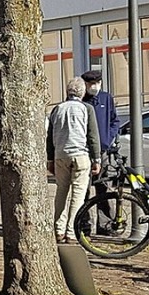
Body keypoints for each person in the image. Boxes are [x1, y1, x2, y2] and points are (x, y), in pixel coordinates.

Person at [47, 77, 101, 244]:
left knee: (61, 192)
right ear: (83, 92)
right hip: (80, 155)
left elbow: (49, 137)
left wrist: (50, 158)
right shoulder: (87, 108)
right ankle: (71, 231)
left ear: (67, 91)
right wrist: (97, 158)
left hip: (60, 155)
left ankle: (58, 229)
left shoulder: (57, 109)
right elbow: (92, 136)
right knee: (78, 195)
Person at [82, 69, 121, 226]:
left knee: (103, 188)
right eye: (92, 84)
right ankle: (84, 224)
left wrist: (109, 138)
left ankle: (104, 224)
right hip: (84, 151)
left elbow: (114, 121)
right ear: (86, 84)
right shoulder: (81, 100)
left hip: (103, 151)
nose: (95, 86)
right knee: (83, 190)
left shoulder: (106, 98)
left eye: (97, 83)